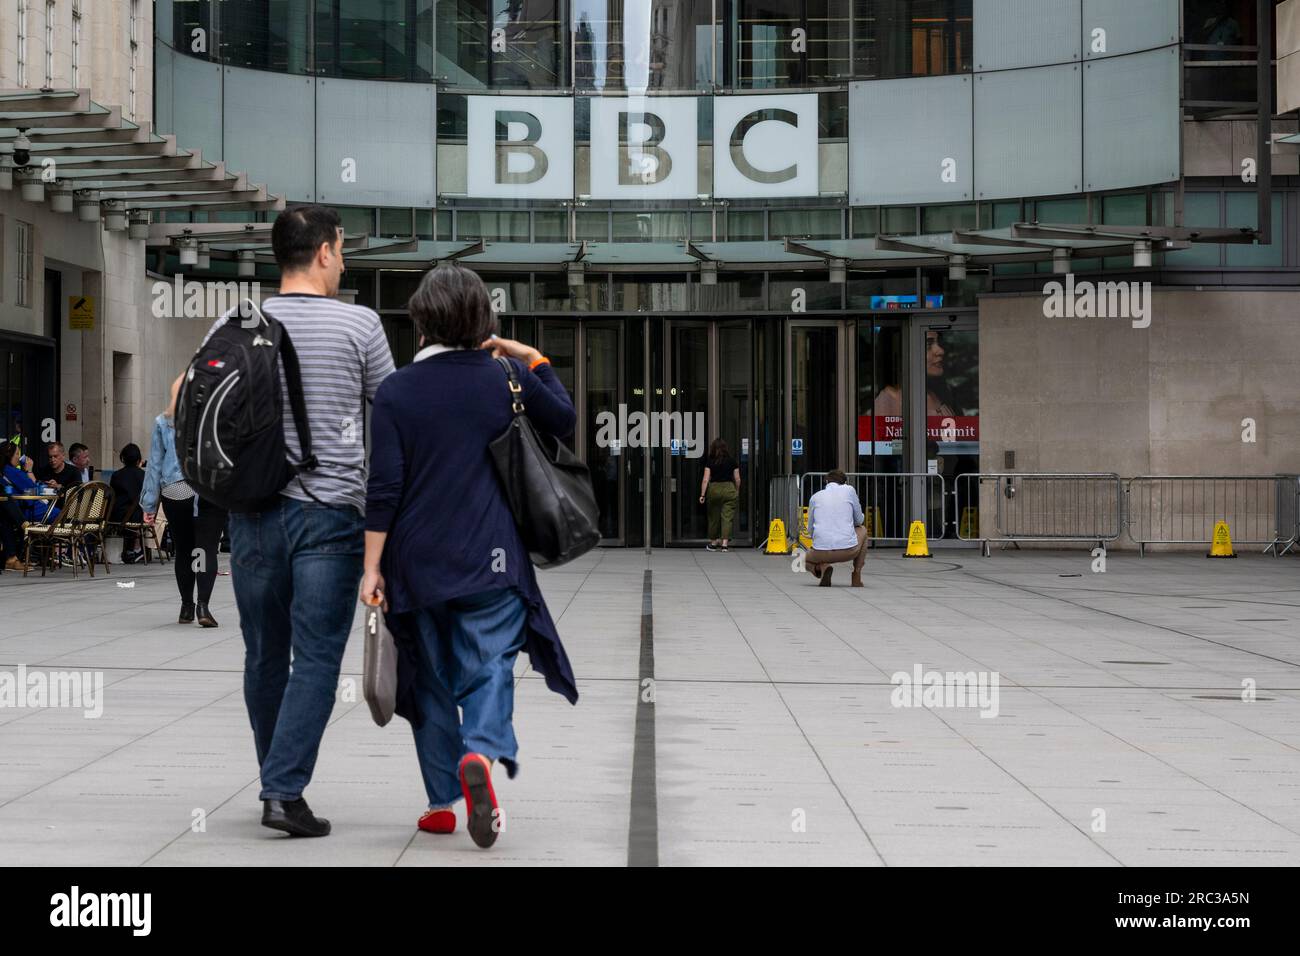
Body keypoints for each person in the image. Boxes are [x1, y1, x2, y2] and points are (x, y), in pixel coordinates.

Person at [362, 263, 577, 849]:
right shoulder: (505, 376)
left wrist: (371, 567)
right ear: (484, 319)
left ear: (421, 320)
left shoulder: (396, 391)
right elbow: (565, 419)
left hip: (416, 560)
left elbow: (382, 488)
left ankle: (440, 803)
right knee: (489, 665)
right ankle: (479, 751)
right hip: (492, 557)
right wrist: (529, 353)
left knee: (428, 678)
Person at [212, 205, 395, 839]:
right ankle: (282, 790)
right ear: (322, 252)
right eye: (341, 249)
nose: (343, 262)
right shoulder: (362, 326)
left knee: (263, 652)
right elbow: (391, 423)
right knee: (315, 657)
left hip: (252, 514)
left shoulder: (237, 322)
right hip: (330, 516)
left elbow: (186, 397)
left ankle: (276, 779)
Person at [141, 380, 227, 626]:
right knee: (206, 548)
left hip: (177, 490)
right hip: (210, 489)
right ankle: (204, 606)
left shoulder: (163, 422)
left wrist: (149, 504)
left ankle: (186, 606)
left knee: (184, 550)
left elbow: (154, 465)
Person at [805, 468, 867, 588]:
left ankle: (822, 567)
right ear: (844, 482)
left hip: (820, 552)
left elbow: (810, 530)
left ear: (826, 482)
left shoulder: (815, 497)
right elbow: (859, 520)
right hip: (848, 551)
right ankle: (856, 575)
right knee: (863, 530)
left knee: (800, 560)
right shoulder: (849, 490)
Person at [1, 441, 44, 571]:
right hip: (23, 509)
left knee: (5, 516)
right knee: (6, 507)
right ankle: (23, 524)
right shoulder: (11, 471)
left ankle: (12, 558)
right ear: (10, 456)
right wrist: (29, 470)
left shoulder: (4, 471)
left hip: (8, 509)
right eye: (17, 454)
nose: (19, 458)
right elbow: (32, 489)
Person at [699, 438, 740, 552]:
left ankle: (713, 543)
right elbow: (737, 478)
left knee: (714, 517)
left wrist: (702, 494)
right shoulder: (732, 461)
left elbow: (705, 479)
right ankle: (724, 545)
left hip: (714, 490)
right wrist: (736, 490)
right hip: (729, 489)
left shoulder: (710, 461)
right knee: (727, 518)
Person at [110, 443, 146, 563]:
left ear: (123, 459)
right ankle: (136, 548)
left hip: (119, 515)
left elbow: (112, 497)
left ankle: (129, 549)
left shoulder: (116, 475)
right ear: (138, 459)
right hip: (139, 516)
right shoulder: (144, 476)